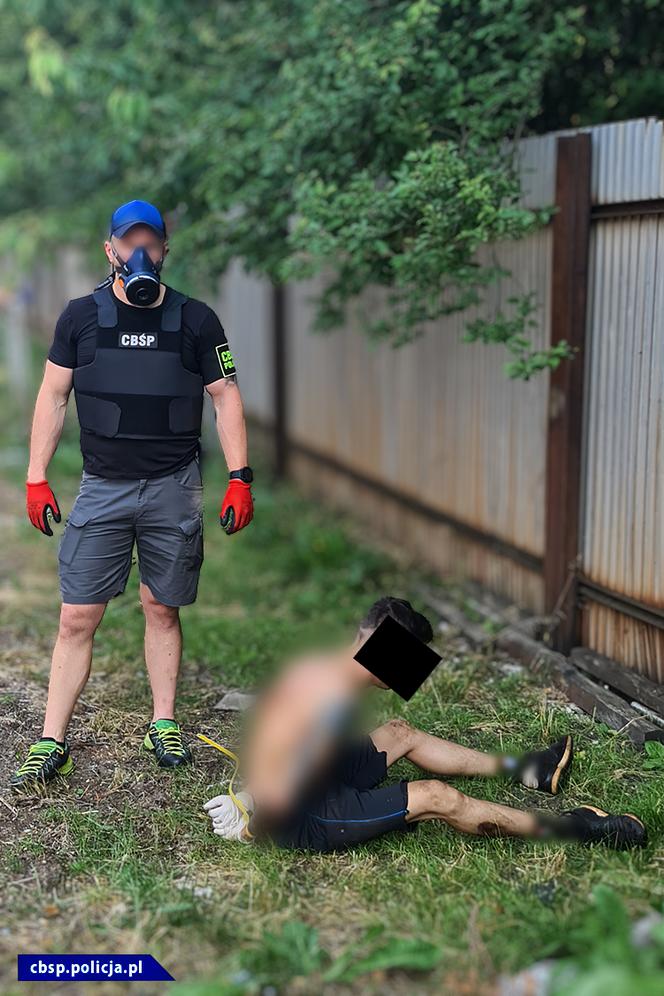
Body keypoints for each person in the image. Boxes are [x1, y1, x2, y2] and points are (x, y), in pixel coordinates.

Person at [13, 199, 255, 791]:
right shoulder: (80, 318)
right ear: (110, 249)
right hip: (103, 487)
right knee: (76, 616)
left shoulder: (197, 320)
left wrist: (240, 477)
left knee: (161, 607)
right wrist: (36, 475)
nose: (139, 253)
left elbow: (224, 396)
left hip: (174, 486)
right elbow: (52, 396)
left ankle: (163, 722)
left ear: (165, 249)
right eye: (129, 242)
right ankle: (51, 741)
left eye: (150, 241)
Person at [203, 597, 647, 852]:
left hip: (315, 780)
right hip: (313, 815)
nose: (406, 675)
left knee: (400, 733)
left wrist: (251, 792)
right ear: (380, 645)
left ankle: (529, 769)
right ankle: (574, 828)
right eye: (404, 659)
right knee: (438, 797)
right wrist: (253, 815)